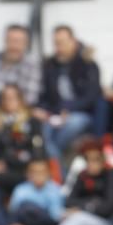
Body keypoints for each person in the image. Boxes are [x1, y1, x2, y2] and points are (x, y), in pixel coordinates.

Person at [35, 25, 100, 159]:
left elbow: (91, 96)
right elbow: (44, 95)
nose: (59, 48)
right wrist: (42, 110)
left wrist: (68, 109)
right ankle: (58, 168)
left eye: (62, 43)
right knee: (43, 130)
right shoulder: (49, 66)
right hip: (55, 114)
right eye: (56, 43)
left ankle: (55, 166)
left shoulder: (87, 64)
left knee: (71, 125)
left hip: (81, 113)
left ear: (73, 42)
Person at [0, 84, 48, 198]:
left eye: (12, 97)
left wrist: (7, 161)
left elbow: (37, 151)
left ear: (20, 99)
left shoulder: (32, 122)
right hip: (3, 170)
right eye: (5, 98)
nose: (9, 101)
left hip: (25, 170)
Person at [7, 158, 63, 225]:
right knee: (24, 209)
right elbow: (13, 214)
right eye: (34, 172)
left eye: (42, 172)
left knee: (30, 208)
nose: (38, 175)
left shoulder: (55, 190)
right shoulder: (20, 190)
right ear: (28, 174)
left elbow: (54, 218)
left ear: (49, 173)